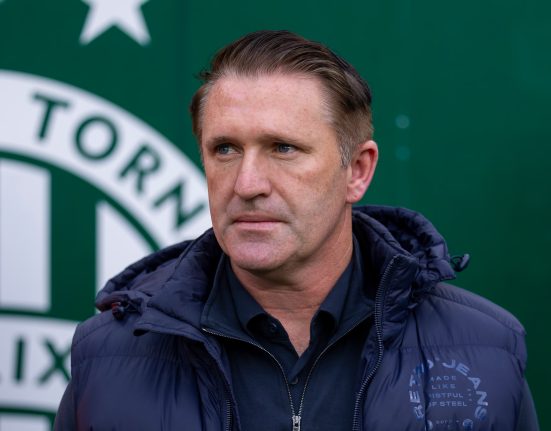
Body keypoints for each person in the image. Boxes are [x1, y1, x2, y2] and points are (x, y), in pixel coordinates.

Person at [55, 30, 539, 431]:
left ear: (357, 171)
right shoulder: (107, 358)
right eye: (225, 149)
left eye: (283, 148)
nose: (247, 184)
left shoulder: (487, 348)